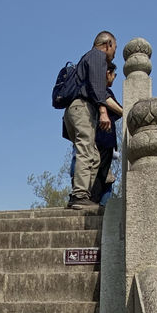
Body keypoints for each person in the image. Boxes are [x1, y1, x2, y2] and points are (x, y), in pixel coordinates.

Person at [63, 30, 117, 209]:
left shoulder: (86, 58)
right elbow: (96, 84)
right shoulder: (97, 56)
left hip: (74, 111)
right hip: (82, 108)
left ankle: (84, 195)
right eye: (114, 49)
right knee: (86, 150)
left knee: (93, 155)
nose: (113, 54)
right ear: (108, 44)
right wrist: (103, 111)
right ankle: (79, 196)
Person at [90, 62, 123, 205]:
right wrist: (126, 111)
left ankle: (97, 202)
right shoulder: (100, 90)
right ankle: (93, 202)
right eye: (114, 74)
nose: (114, 78)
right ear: (107, 73)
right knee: (99, 173)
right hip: (101, 138)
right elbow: (110, 103)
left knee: (103, 174)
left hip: (106, 140)